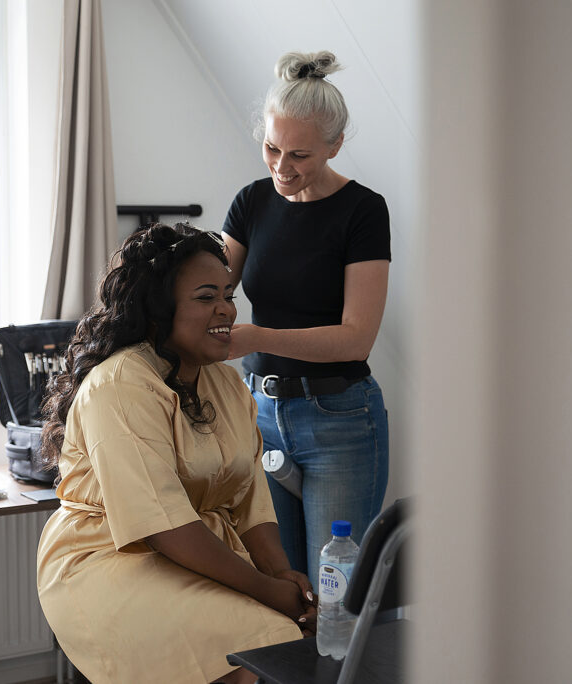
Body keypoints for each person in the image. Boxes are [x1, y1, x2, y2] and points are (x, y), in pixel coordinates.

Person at [36, 223, 316, 684]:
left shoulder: (226, 382)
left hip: (192, 550)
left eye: (228, 294)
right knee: (265, 640)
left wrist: (283, 577)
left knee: (295, 634)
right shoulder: (119, 385)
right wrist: (267, 591)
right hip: (105, 558)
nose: (226, 309)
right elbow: (165, 526)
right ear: (157, 310)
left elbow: (250, 498)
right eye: (206, 297)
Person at [221, 50, 391, 585]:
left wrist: (254, 336)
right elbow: (210, 291)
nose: (280, 167)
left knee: (332, 597)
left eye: (299, 155)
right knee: (279, 586)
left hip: (339, 420)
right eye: (271, 147)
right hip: (260, 416)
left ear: (336, 145)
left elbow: (355, 340)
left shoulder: (363, 212)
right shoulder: (251, 203)